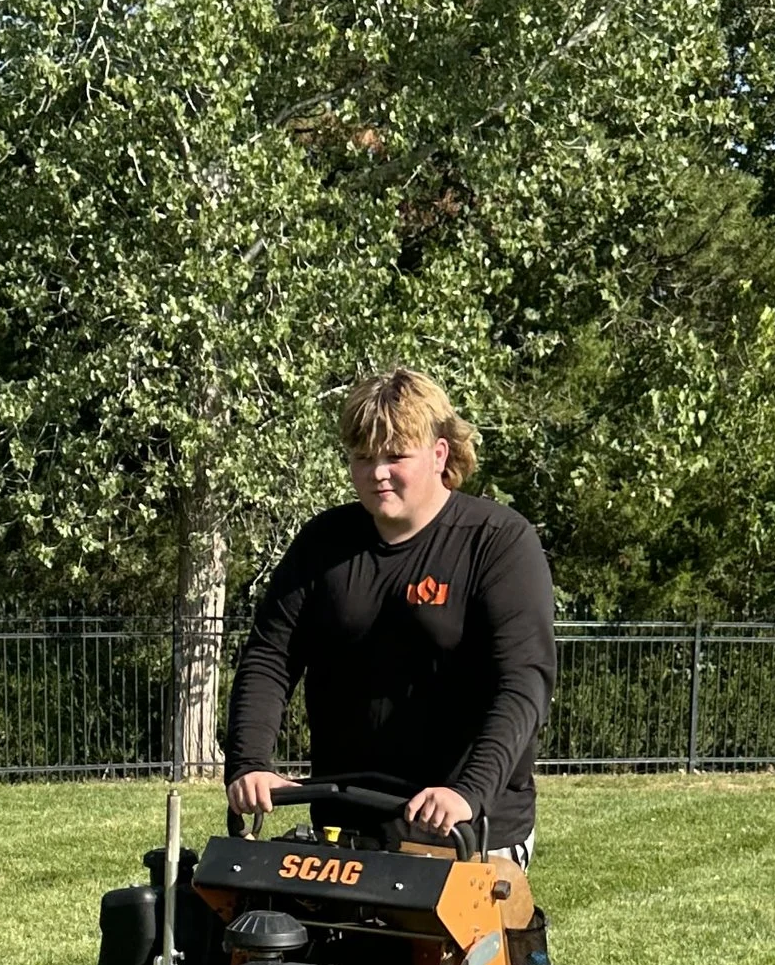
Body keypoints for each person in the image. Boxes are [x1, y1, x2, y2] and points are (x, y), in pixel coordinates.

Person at [223, 366, 557, 855]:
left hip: (465, 834)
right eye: (363, 458)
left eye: (396, 456)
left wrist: (468, 792)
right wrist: (249, 763)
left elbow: (524, 683)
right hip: (343, 828)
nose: (377, 472)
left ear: (439, 454)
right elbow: (269, 657)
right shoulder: (323, 544)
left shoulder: (498, 541)